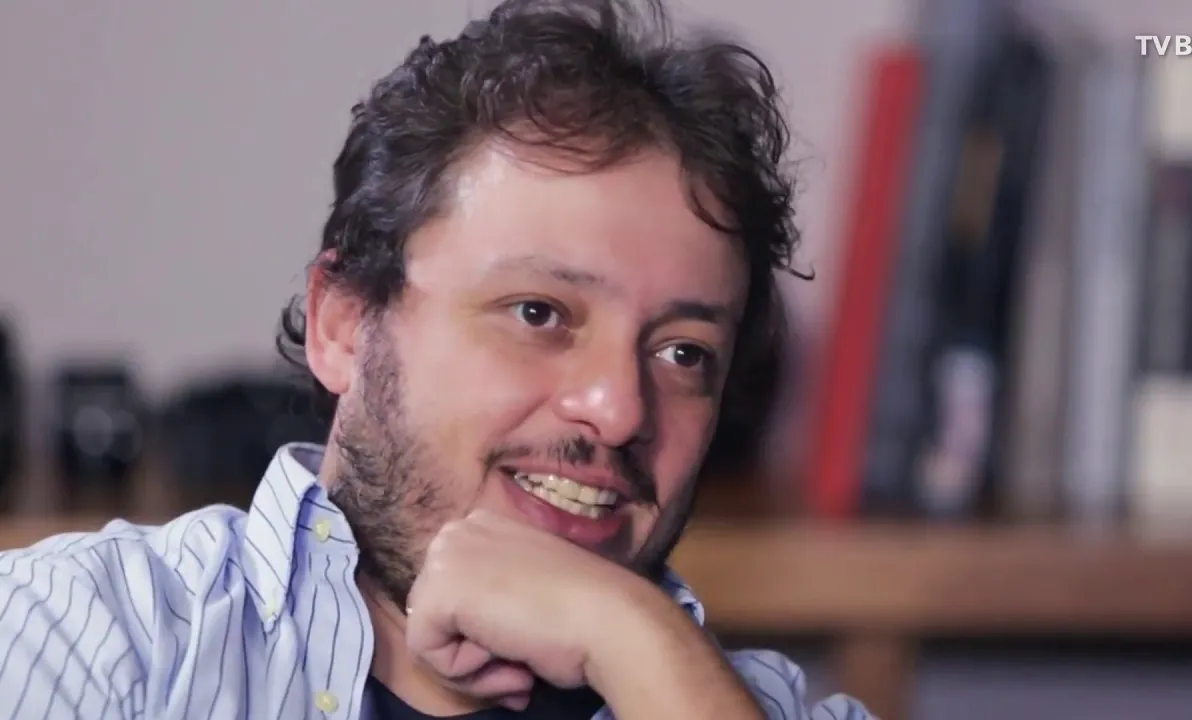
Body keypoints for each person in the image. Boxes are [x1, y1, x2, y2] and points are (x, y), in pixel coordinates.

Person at [0, 1, 875, 718]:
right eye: (538, 313)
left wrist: (636, 643)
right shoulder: (82, 639)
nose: (619, 410)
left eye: (684, 352)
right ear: (343, 324)